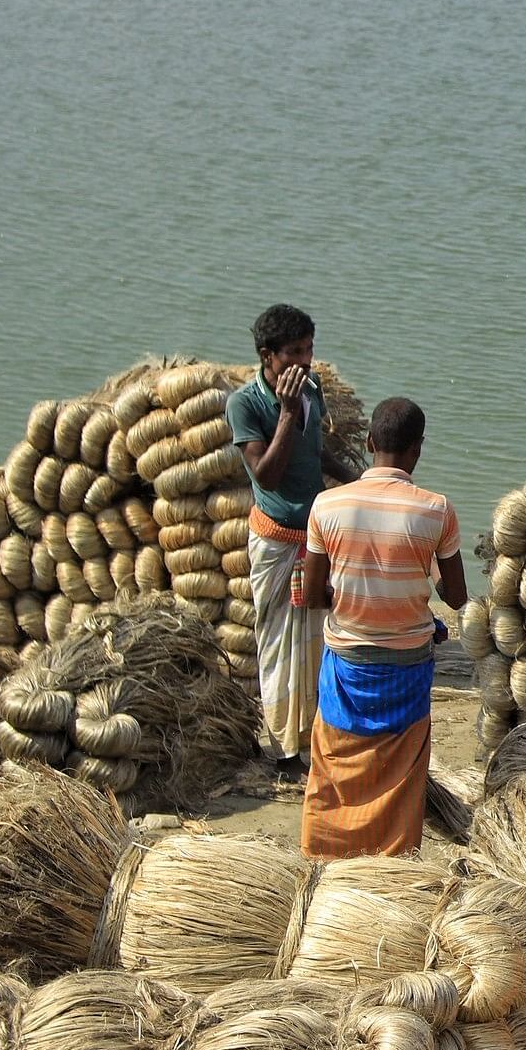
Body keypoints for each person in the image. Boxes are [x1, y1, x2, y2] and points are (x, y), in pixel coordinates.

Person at [299, 398, 466, 858]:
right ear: (417, 450)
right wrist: (422, 569)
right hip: (407, 667)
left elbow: (313, 596)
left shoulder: (326, 505)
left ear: (370, 443)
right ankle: (390, 861)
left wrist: (352, 597)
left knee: (334, 766)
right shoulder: (437, 510)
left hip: (348, 665)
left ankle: (325, 855)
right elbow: (456, 596)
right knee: (399, 777)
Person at [228, 304, 360, 773]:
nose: (306, 360)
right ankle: (285, 748)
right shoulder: (246, 404)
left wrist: (356, 479)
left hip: (316, 535)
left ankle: (318, 735)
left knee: (319, 639)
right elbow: (266, 474)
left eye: (309, 349)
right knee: (282, 643)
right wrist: (285, 414)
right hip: (278, 540)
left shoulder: (312, 387)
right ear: (269, 356)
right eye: (295, 352)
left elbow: (314, 451)